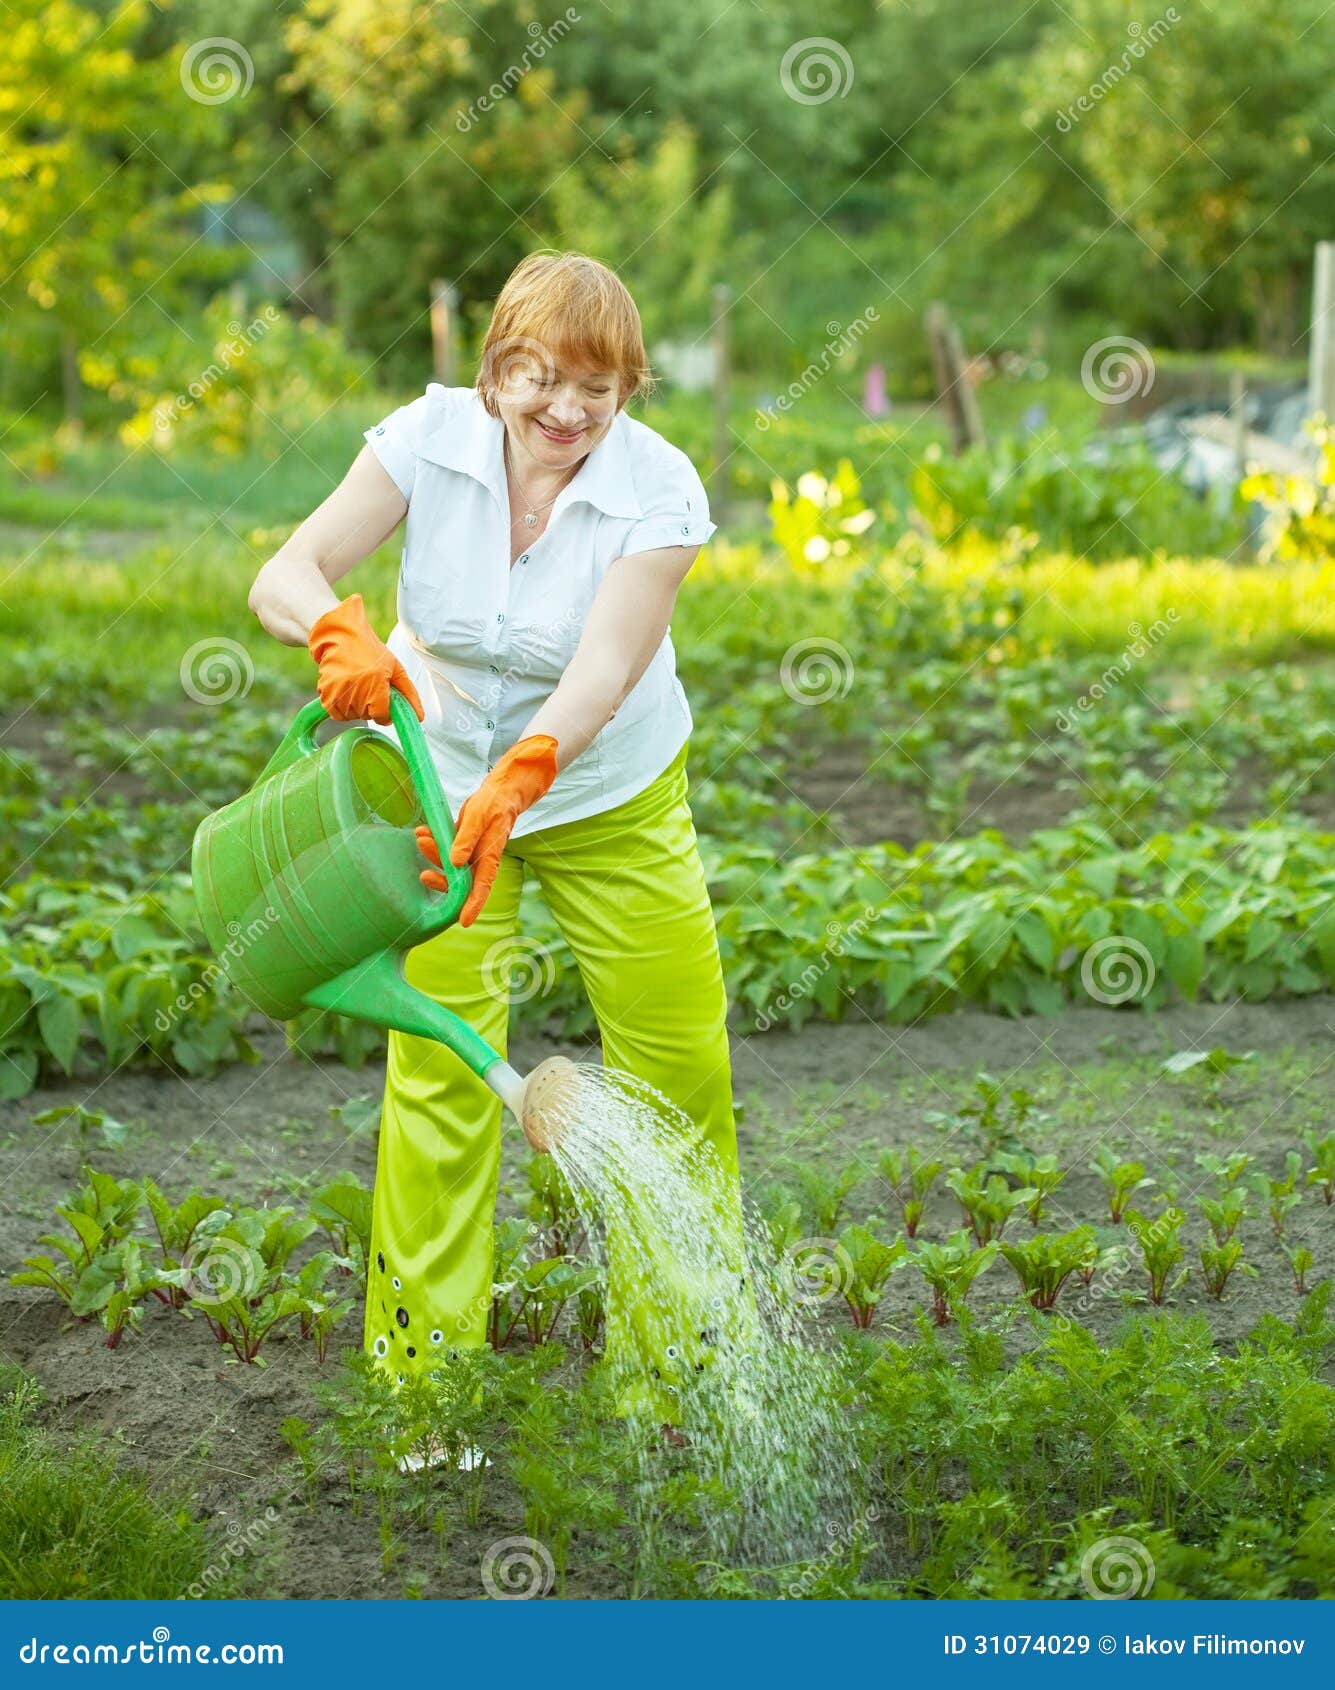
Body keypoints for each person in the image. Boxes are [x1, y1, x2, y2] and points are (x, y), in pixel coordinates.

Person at [247, 251, 748, 1460]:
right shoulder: (426, 440)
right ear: (496, 372)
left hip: (606, 792)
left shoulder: (658, 489)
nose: (567, 410)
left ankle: (669, 1385)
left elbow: (607, 663)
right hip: (444, 790)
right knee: (439, 1076)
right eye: (541, 378)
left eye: (599, 387)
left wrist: (530, 773)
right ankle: (426, 1397)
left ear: (630, 391)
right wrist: (336, 632)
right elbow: (287, 567)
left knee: (677, 1067)